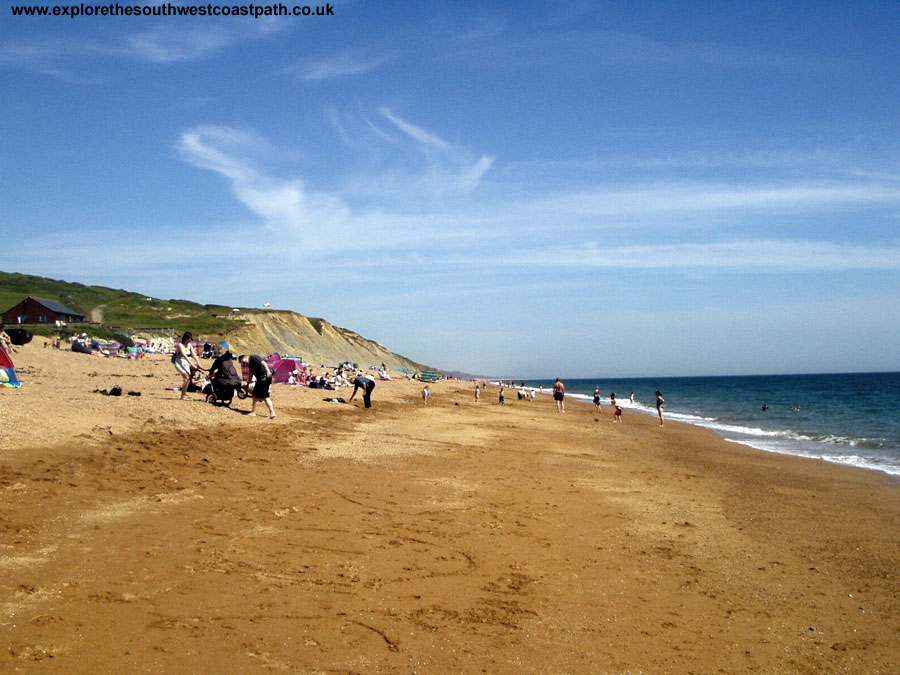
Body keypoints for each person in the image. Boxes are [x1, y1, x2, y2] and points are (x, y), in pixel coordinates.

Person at [173, 331, 204, 400]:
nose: (189, 340)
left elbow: (194, 355)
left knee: (188, 378)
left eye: (190, 339)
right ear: (185, 338)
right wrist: (192, 364)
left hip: (186, 364)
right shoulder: (180, 345)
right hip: (179, 363)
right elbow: (185, 356)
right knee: (186, 377)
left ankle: (184, 394)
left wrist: (199, 363)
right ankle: (183, 395)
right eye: (188, 338)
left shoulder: (190, 345)